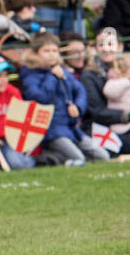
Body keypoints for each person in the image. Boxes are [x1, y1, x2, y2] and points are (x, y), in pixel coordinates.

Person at [19, 31, 106, 164]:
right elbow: (40, 99)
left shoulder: (62, 71)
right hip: (50, 130)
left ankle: (61, 159)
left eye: (54, 50)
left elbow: (80, 90)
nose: (51, 54)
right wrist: (52, 76)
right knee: (79, 159)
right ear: (36, 53)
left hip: (71, 128)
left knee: (102, 156)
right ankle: (44, 158)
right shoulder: (31, 74)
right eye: (46, 51)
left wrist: (78, 106)